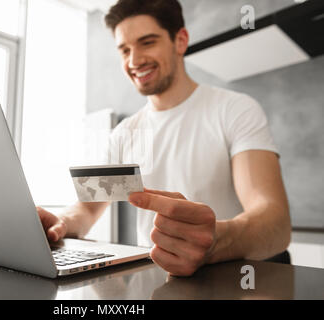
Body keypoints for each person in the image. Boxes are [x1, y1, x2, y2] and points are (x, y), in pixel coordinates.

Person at [37, 0, 291, 277]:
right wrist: (60, 223)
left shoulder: (235, 110)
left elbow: (274, 222)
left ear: (180, 41)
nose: (134, 61)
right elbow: (87, 209)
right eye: (124, 50)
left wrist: (215, 240)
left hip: (232, 283)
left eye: (147, 42)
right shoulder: (124, 133)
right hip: (156, 285)